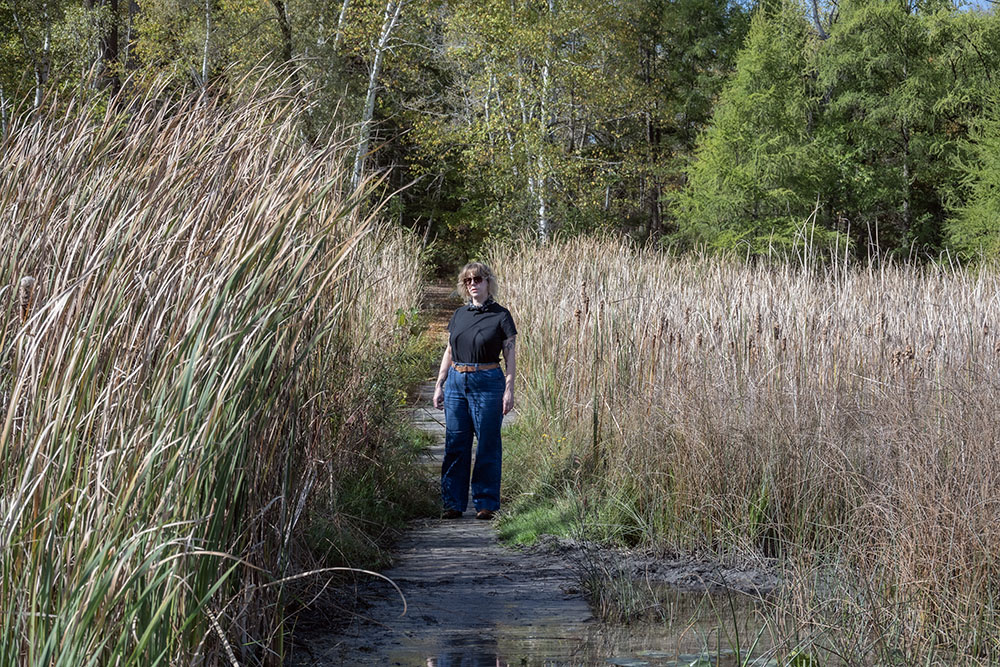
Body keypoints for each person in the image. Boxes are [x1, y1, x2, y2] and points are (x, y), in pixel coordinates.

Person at [432, 262, 517, 520]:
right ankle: (453, 504)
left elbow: (510, 354)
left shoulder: (501, 316)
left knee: (488, 443)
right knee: (456, 443)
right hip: (457, 381)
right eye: (468, 281)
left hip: (489, 380)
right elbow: (449, 350)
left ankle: (486, 503)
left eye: (477, 279)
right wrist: (439, 384)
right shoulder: (459, 315)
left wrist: (509, 389)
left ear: (488, 282)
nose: (473, 284)